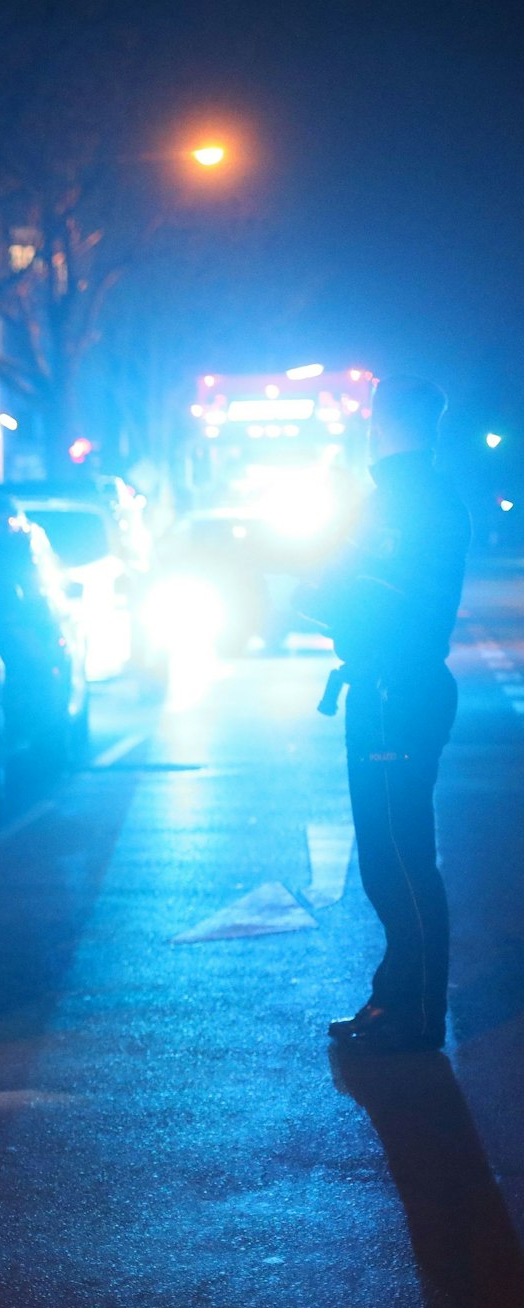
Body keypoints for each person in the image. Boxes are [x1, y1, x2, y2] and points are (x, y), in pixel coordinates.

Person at [296, 376, 470, 1053]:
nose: (369, 427)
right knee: (384, 854)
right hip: (386, 687)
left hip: (397, 689)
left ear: (388, 424)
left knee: (399, 855)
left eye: (376, 417)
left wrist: (312, 593)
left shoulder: (408, 501)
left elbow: (374, 596)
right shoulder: (403, 496)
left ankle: (418, 1012)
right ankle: (395, 996)